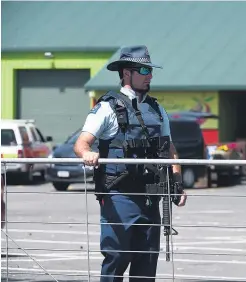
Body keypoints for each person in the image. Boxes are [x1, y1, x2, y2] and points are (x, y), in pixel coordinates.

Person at [74, 45, 187, 282]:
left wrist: (177, 183)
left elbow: (170, 149)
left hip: (150, 196)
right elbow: (82, 143)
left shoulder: (157, 109)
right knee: (116, 257)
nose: (150, 75)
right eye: (144, 69)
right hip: (119, 196)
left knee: (146, 263)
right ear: (127, 73)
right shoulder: (107, 107)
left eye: (150, 70)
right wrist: (88, 154)